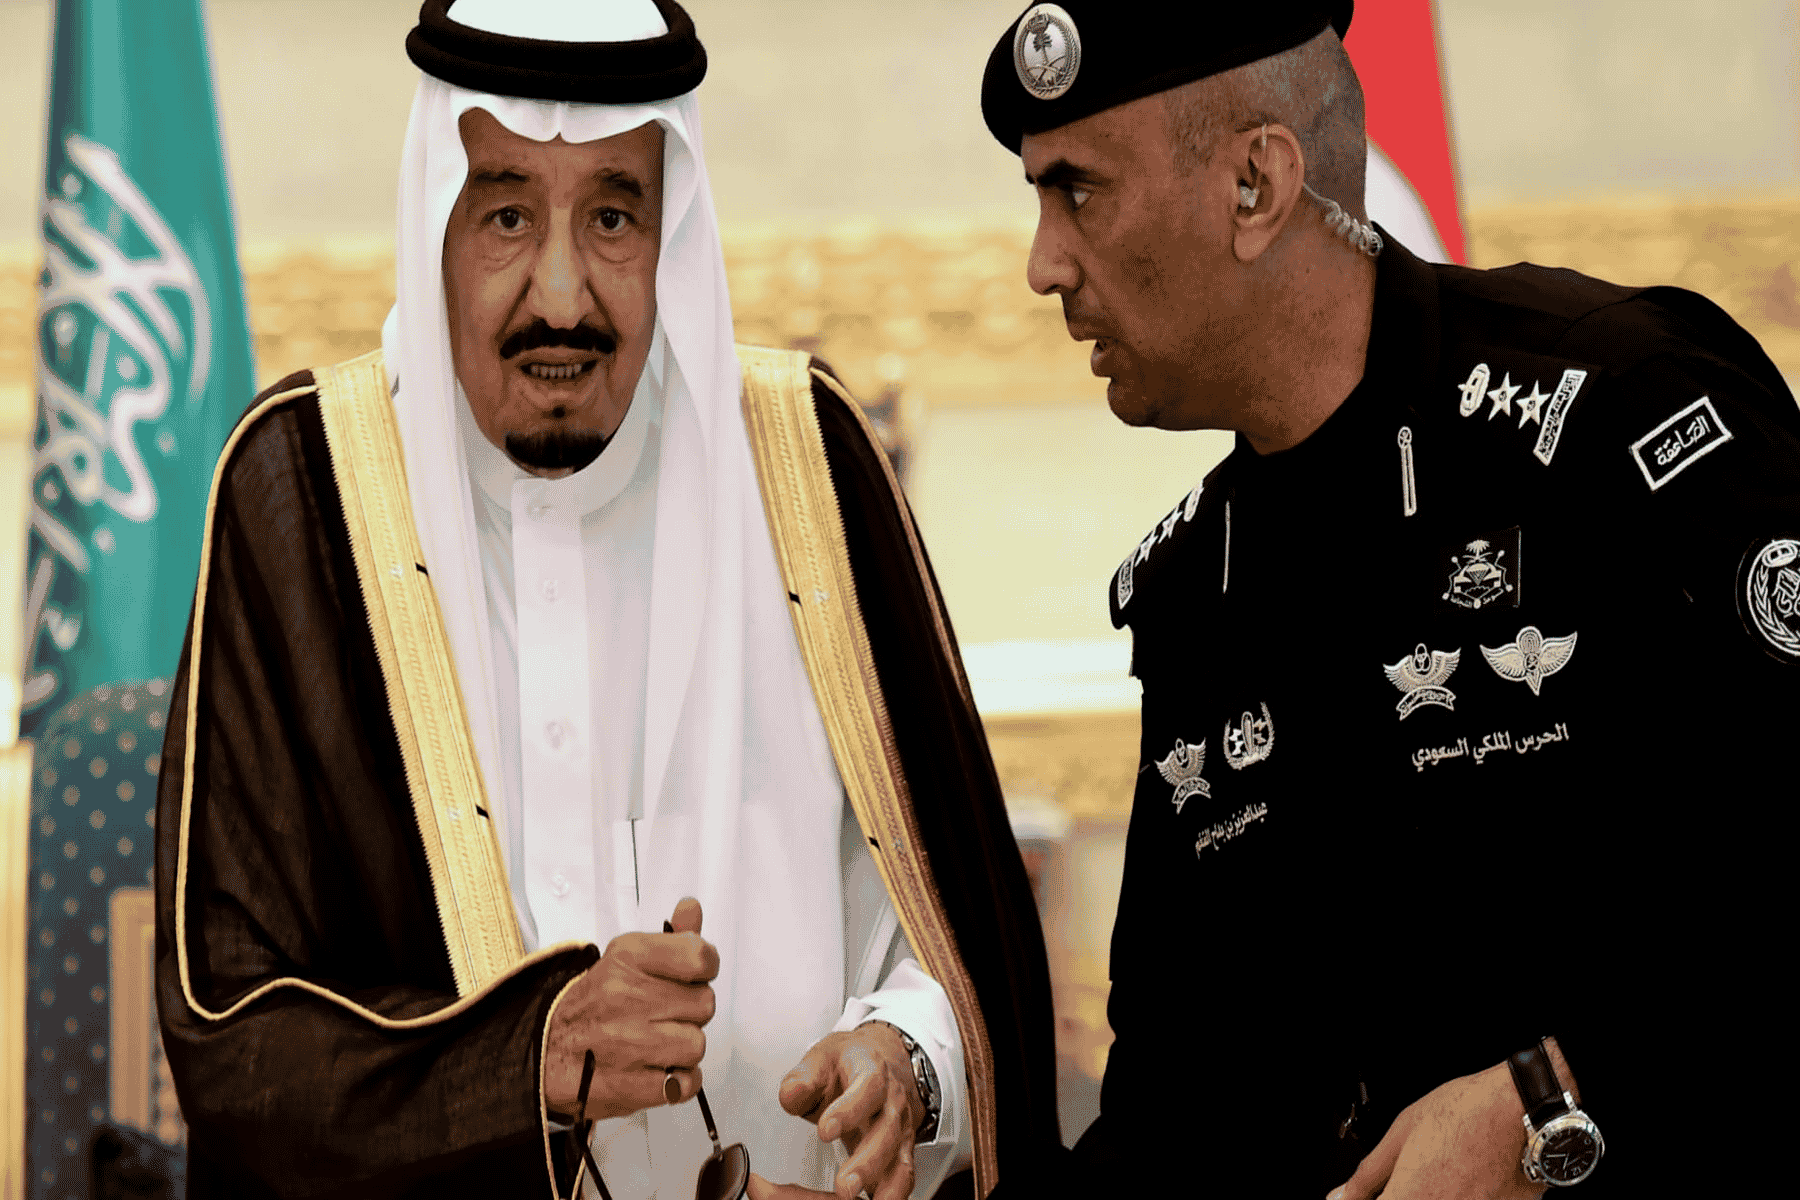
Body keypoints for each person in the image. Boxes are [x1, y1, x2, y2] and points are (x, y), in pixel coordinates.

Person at [153, 2, 1062, 1197]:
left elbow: (959, 941)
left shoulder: (807, 468)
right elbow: (235, 1040)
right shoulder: (302, 495)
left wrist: (907, 1065)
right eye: (506, 215)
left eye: (614, 217)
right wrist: (525, 1061)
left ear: (671, 227)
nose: (561, 295)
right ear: (435, 220)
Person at [978, 2, 1796, 1196]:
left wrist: (1561, 1101)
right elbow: (1177, 1121)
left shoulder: (1615, 413)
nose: (1043, 263)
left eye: (1079, 192)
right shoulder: (1191, 593)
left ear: (1256, 186)